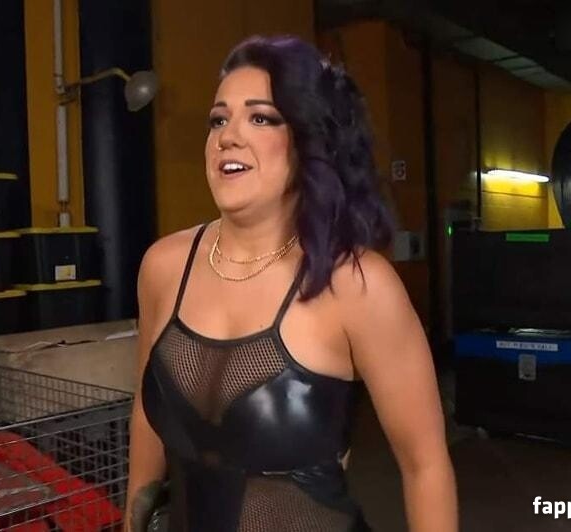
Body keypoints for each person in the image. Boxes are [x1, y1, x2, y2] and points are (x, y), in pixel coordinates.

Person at [126, 35, 457, 532]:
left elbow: (425, 466)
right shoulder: (164, 266)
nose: (228, 136)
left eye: (261, 118)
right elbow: (145, 420)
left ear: (307, 140)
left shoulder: (358, 284)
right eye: (218, 120)